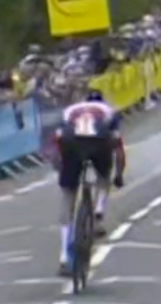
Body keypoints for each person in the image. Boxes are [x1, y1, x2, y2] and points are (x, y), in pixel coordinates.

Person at [54, 89, 125, 275]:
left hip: (70, 141)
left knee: (68, 195)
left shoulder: (70, 110)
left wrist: (62, 169)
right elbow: (118, 149)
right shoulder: (108, 111)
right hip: (98, 141)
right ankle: (99, 208)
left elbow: (58, 139)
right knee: (103, 175)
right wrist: (119, 175)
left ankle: (63, 256)